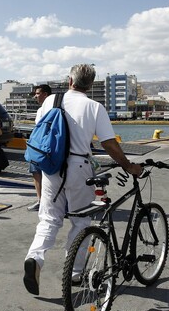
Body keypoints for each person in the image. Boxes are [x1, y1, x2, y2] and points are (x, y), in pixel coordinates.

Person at [23, 64, 142, 296]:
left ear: (70, 81)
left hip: (51, 166)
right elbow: (109, 143)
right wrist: (128, 166)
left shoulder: (50, 101)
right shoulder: (94, 107)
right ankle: (75, 273)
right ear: (90, 84)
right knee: (80, 221)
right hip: (79, 166)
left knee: (49, 218)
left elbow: (40, 131)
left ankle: (34, 259)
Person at [27, 84, 52, 211]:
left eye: (37, 93)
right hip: (46, 146)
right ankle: (43, 200)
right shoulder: (55, 109)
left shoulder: (44, 110)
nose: (35, 96)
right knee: (39, 173)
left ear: (45, 94)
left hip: (40, 146)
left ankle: (41, 201)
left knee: (37, 173)